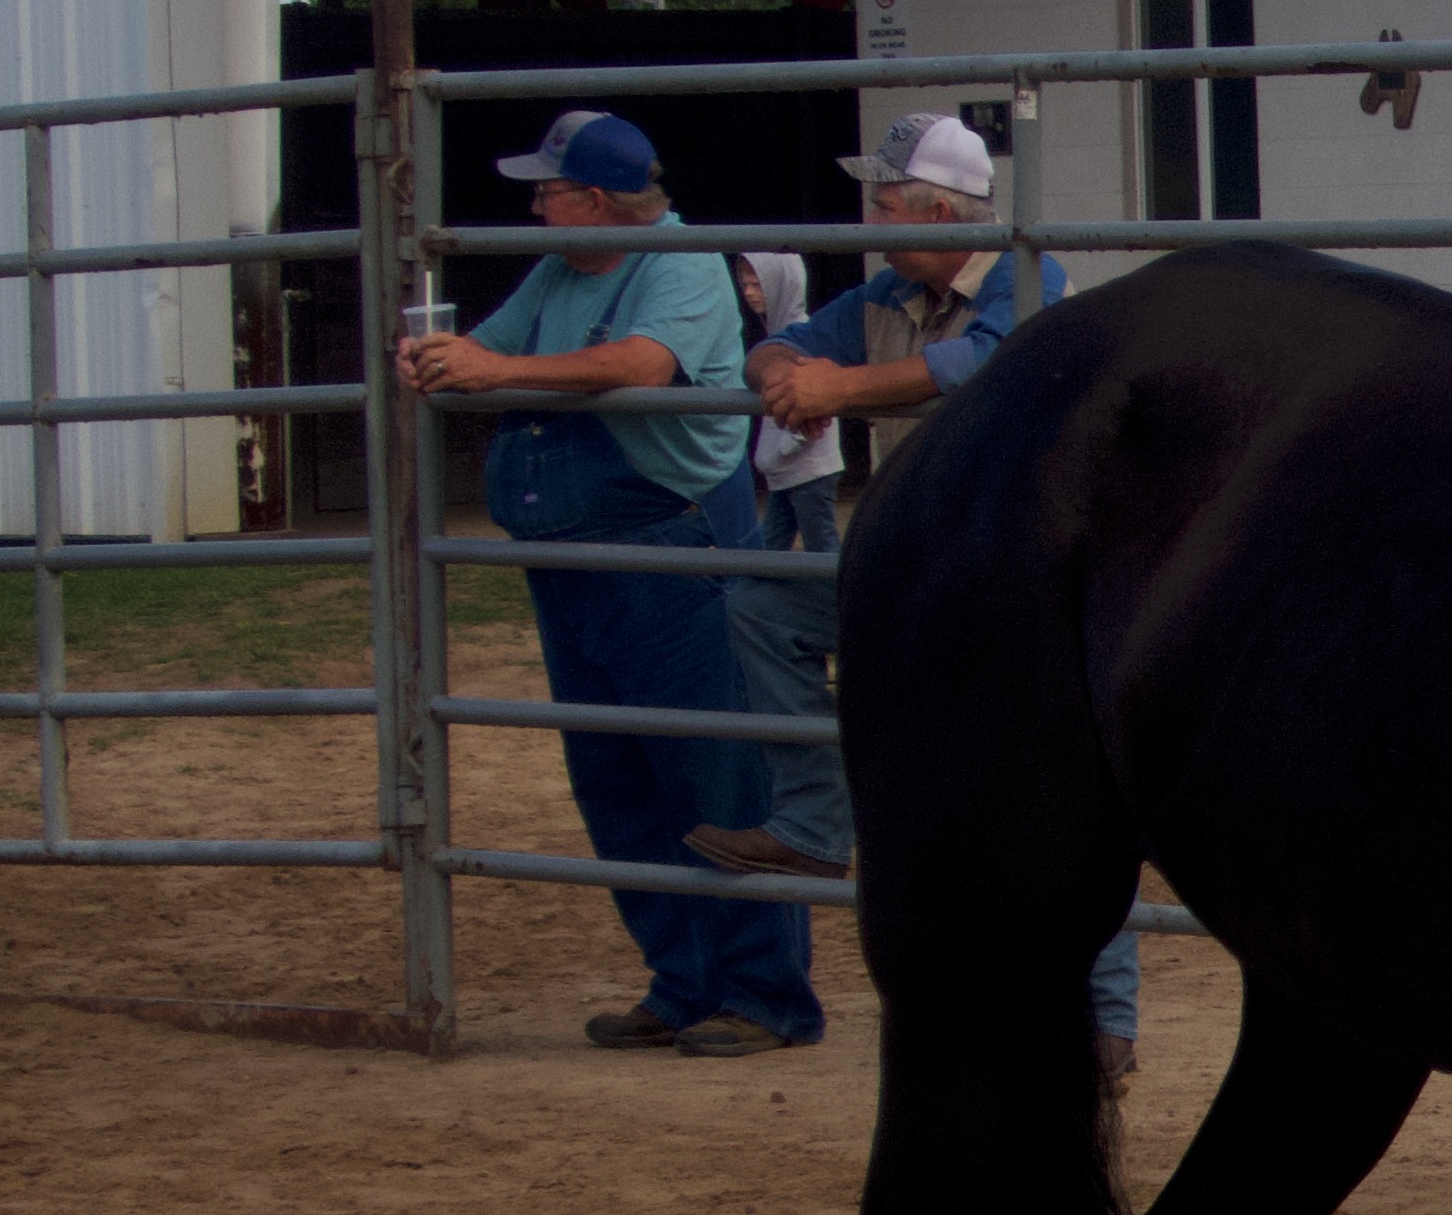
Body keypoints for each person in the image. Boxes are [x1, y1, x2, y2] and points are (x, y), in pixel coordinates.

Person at [685, 112, 1138, 1076]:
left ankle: (1105, 1018)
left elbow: (982, 366)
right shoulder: (886, 292)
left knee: (1060, 788)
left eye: (885, 204)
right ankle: (812, 823)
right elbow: (783, 342)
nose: (873, 220)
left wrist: (840, 390)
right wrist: (787, 375)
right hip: (924, 559)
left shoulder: (1029, 279)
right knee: (763, 606)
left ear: (940, 213)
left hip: (1026, 571)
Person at [401, 108, 824, 1060]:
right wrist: (443, 359)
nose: (534, 207)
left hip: (671, 543)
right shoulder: (560, 269)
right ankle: (683, 980)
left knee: (711, 765)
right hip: (577, 556)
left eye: (547, 192)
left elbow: (641, 363)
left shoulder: (679, 262)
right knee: (613, 772)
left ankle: (765, 994)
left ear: (595, 201)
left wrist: (496, 369)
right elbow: (490, 347)